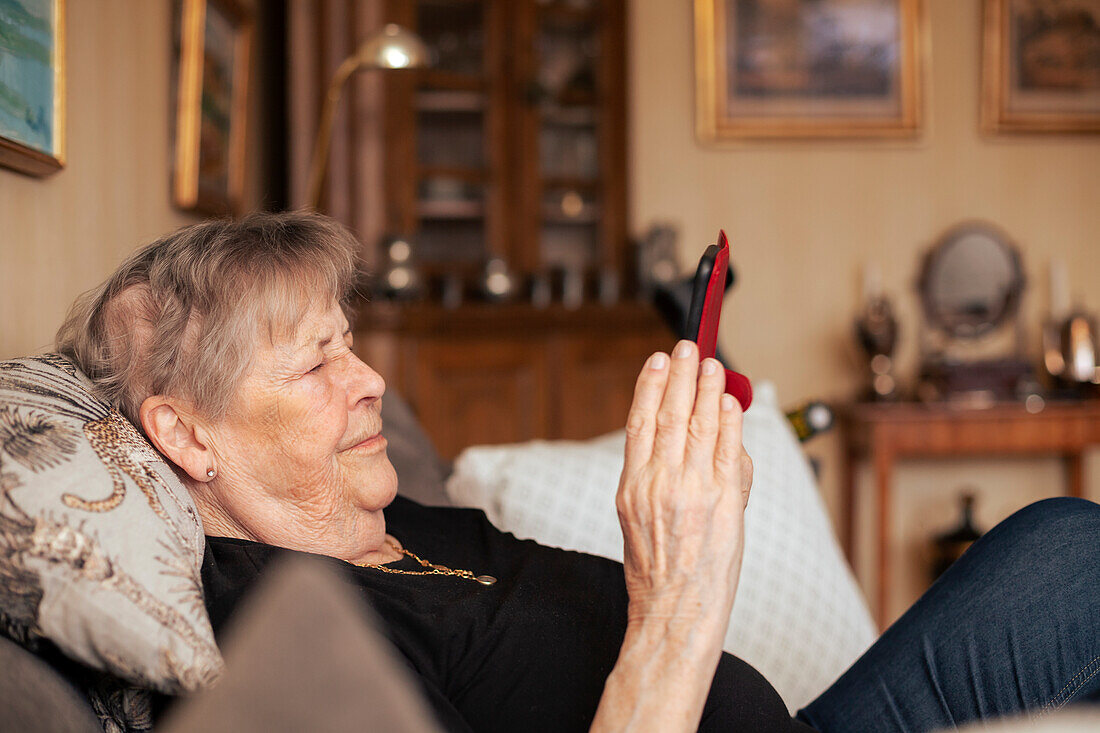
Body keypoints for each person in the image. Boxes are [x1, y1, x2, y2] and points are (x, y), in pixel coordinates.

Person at [56, 212, 1099, 732]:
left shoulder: (388, 521)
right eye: (316, 363)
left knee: (1066, 545)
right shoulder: (284, 622)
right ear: (186, 436)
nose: (369, 379)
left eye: (349, 341)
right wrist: (679, 592)